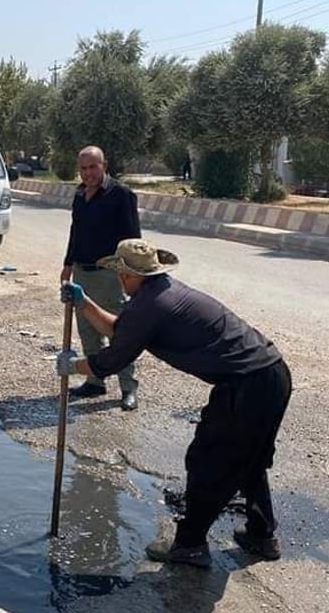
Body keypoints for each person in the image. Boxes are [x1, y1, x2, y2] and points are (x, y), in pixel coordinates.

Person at [57, 238, 291, 568]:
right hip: (270, 374)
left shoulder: (151, 305)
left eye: (121, 274)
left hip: (248, 385)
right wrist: (84, 304)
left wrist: (73, 365)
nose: (120, 281)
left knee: (208, 461)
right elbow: (122, 330)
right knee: (248, 458)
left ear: (131, 275)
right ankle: (262, 535)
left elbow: (112, 359)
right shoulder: (160, 292)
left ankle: (190, 545)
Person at [60, 146, 141, 411]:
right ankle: (95, 381)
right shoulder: (80, 195)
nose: (88, 173)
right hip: (83, 273)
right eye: (83, 169)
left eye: (93, 167)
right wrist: (68, 265)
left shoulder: (121, 195)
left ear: (103, 165)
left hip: (111, 276)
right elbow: (75, 232)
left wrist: (129, 275)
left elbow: (132, 240)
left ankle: (129, 388)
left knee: (121, 332)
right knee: (87, 330)